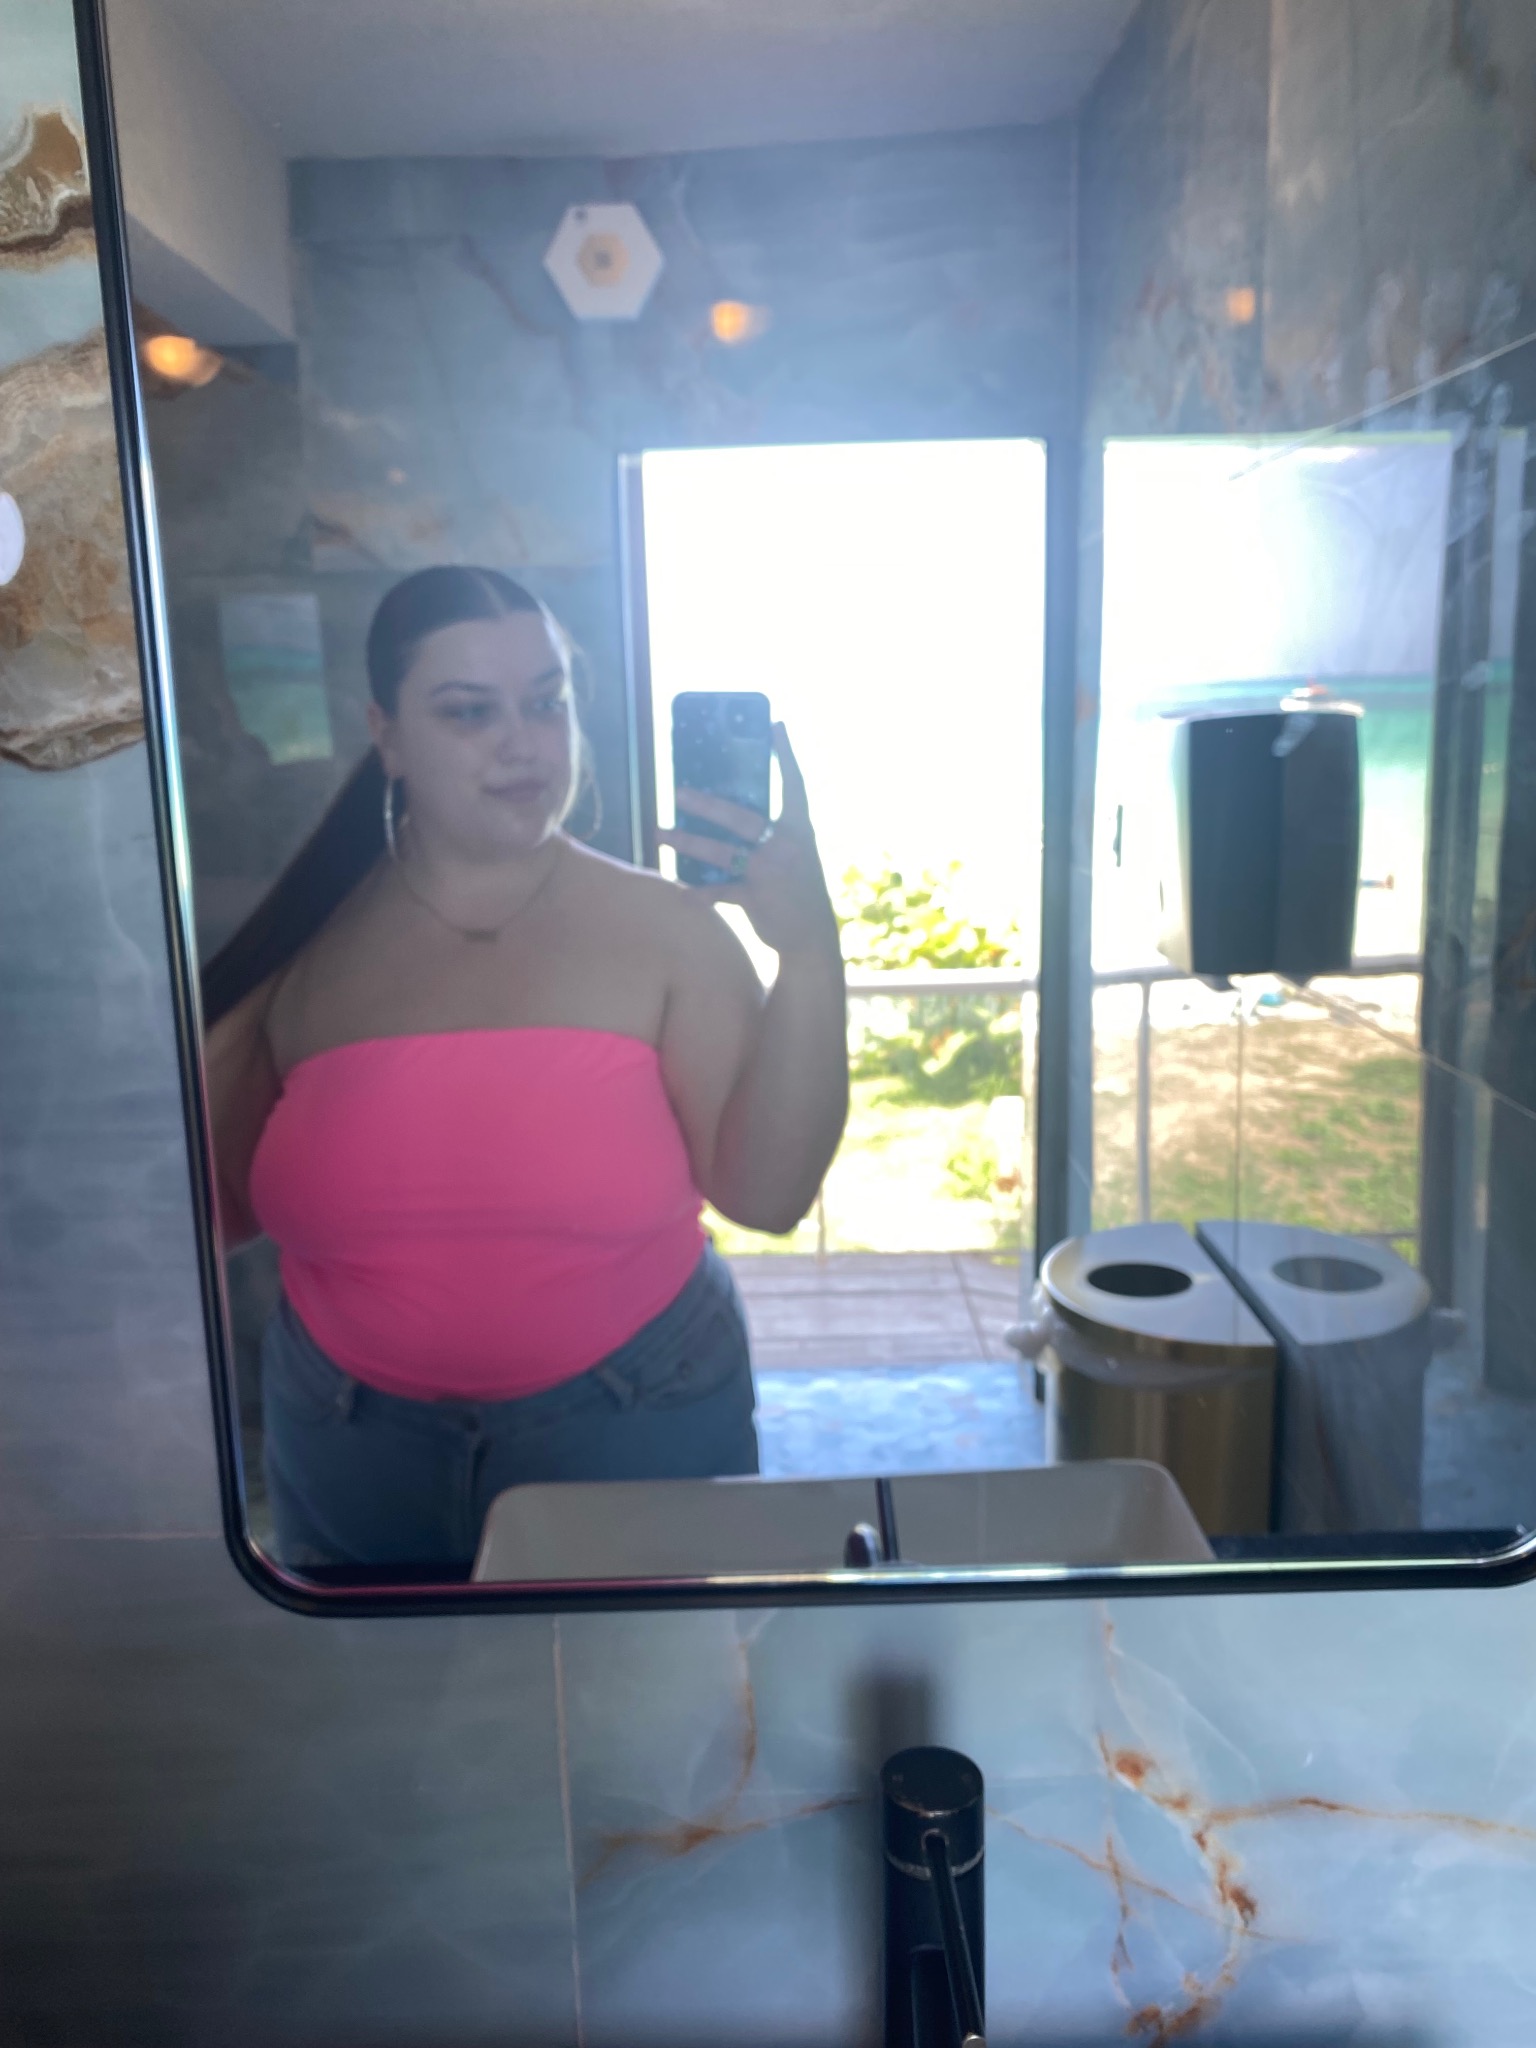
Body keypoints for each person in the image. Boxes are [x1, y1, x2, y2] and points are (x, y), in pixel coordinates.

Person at [203, 566, 848, 1576]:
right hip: (349, 1444)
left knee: (642, 1681)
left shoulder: (672, 933)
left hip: (638, 1425)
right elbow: (195, 1209)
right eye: (471, 711)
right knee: (386, 1684)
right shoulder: (300, 948)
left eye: (547, 702)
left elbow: (768, 1196)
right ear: (386, 735)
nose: (524, 743)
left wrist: (809, 952)